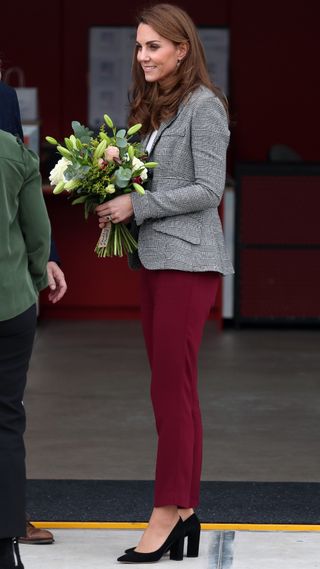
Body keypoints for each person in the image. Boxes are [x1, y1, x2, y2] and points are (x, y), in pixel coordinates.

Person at [95, 3, 234, 563]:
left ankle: (166, 511)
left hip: (186, 263)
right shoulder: (162, 109)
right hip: (157, 263)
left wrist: (138, 203)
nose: (142, 56)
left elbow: (209, 189)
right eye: (137, 46)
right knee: (173, 389)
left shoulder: (205, 107)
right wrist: (113, 173)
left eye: (153, 46)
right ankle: (186, 509)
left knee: (170, 391)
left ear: (183, 49)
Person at [0, 61, 67, 544]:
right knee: (6, 414)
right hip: (9, 300)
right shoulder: (9, 138)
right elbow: (34, 220)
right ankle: (8, 523)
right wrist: (36, 272)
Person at [0, 129, 51, 568]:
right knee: (6, 422)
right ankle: (5, 547)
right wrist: (33, 281)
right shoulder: (15, 152)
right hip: (10, 304)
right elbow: (38, 234)